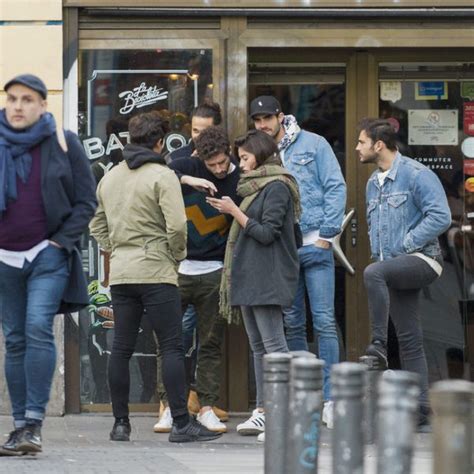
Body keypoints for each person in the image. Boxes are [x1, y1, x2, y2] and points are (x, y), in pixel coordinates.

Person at [89, 111, 221, 443]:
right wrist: (174, 255)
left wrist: (117, 247)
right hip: (157, 270)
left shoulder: (111, 177)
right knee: (172, 346)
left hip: (121, 271)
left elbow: (95, 225)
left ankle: (120, 424)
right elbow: (177, 227)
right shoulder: (162, 176)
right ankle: (181, 423)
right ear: (160, 142)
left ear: (129, 139)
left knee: (120, 347)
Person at [0, 74, 97, 455]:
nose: (18, 106)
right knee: (14, 339)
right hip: (4, 259)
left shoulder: (63, 142)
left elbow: (86, 201)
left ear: (43, 105)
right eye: (12, 99)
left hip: (47, 255)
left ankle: (35, 424)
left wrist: (59, 243)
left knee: (38, 327)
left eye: (27, 99)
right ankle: (20, 424)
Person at [251, 95, 346, 429]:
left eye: (266, 118)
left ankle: (330, 398)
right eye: (257, 120)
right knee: (291, 323)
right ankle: (302, 397)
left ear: (280, 116)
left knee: (323, 321)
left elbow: (335, 186)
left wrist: (328, 235)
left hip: (315, 243)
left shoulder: (314, 144)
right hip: (283, 250)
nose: (262, 125)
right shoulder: (262, 153)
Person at [356, 118, 451, 430]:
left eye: (361, 142)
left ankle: (378, 346)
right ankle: (422, 410)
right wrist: (387, 257)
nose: (357, 148)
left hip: (422, 259)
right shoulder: (373, 182)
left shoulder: (416, 174)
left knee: (372, 273)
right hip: (394, 267)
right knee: (411, 339)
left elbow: (441, 216)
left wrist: (406, 244)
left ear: (378, 145)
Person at [207, 129, 301, 441]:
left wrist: (234, 211)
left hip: (268, 274)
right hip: (250, 275)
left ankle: (280, 411)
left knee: (274, 346)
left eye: (245, 158)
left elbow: (267, 233)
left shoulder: (277, 186)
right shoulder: (254, 187)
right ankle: (263, 410)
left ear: (260, 155)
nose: (241, 164)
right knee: (260, 346)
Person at [154, 125, 240, 434]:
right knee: (168, 342)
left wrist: (232, 207)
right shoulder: (185, 166)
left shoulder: (238, 175)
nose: (218, 170)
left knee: (211, 344)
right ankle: (167, 407)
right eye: (211, 165)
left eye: (222, 163)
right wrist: (188, 178)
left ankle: (206, 408)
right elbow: (154, 171)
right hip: (176, 269)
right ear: (199, 156)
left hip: (214, 270)